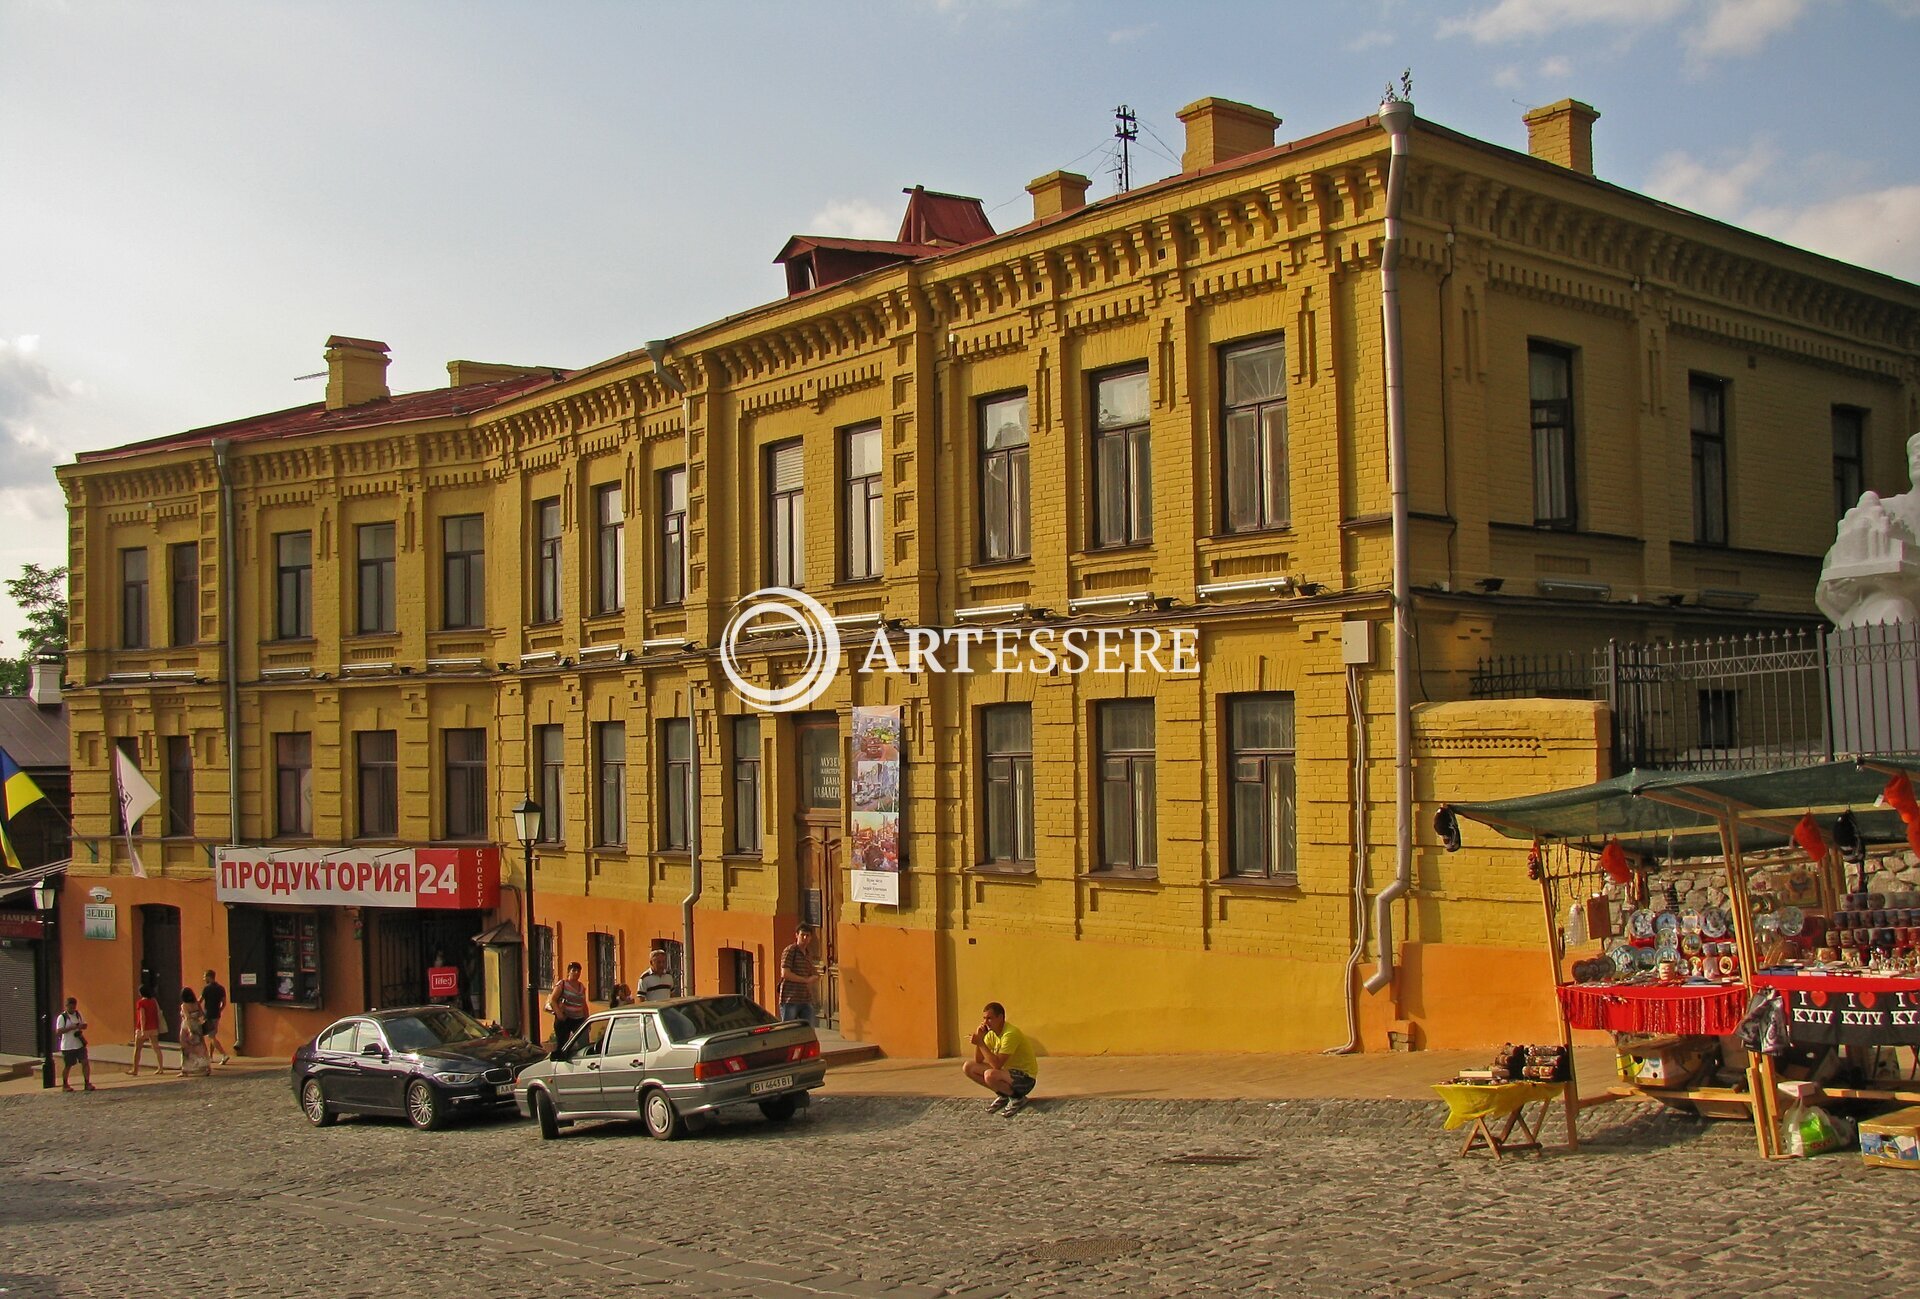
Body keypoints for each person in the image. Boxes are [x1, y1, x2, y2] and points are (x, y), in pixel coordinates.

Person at [962, 1001, 1038, 1117]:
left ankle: (1018, 1098)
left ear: (1000, 1017)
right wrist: (980, 1040)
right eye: (984, 1018)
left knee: (990, 1075)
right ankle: (1004, 1095)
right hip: (1007, 1075)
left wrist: (981, 1043)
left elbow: (997, 1065)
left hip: (1025, 1079)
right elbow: (978, 1060)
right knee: (969, 1067)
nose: (985, 1022)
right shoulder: (992, 1034)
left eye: (989, 1018)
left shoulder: (1010, 1034)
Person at [777, 926, 821, 1026]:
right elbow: (785, 973)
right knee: (788, 1030)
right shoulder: (790, 950)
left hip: (805, 999)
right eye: (802, 935)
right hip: (790, 999)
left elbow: (810, 973)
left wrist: (814, 977)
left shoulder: (808, 953)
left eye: (807, 935)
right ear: (797, 935)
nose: (805, 938)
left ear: (811, 938)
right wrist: (805, 980)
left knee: (808, 1031)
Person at [54, 997, 95, 1092]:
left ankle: (87, 1082)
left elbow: (85, 1025)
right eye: (70, 1006)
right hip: (68, 1046)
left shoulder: (78, 1014)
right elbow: (59, 1031)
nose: (72, 1008)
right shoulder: (62, 1017)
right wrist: (71, 1028)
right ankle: (65, 1084)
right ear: (67, 1006)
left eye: (73, 1006)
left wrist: (81, 1026)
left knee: (85, 1062)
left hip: (79, 1044)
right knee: (68, 1065)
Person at [129, 980, 170, 1076]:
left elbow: (142, 1017)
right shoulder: (153, 1001)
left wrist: (143, 1030)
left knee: (137, 1049)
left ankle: (135, 1069)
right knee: (156, 1048)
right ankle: (160, 1068)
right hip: (153, 1027)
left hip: (143, 1028)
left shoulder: (141, 1003)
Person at [546, 960, 588, 1048]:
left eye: (578, 971)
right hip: (565, 1019)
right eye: (574, 970)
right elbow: (553, 999)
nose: (576, 973)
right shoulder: (562, 984)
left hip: (578, 1019)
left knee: (583, 1043)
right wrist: (559, 1014)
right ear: (569, 972)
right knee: (563, 1044)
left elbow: (584, 1004)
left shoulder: (581, 987)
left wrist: (587, 1019)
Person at [200, 969, 231, 1066]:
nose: (204, 978)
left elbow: (199, 1001)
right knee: (212, 1034)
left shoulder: (207, 989)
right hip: (216, 1015)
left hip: (209, 1015)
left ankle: (224, 1054)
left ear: (209, 977)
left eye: (205, 976)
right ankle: (210, 1056)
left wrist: (199, 1011)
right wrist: (220, 1010)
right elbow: (224, 1003)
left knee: (211, 1036)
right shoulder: (221, 988)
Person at [177, 988, 210, 1078]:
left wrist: (190, 1030)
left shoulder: (184, 1005)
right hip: (197, 1025)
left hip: (187, 1027)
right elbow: (201, 1014)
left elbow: (187, 1018)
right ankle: (205, 1067)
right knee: (200, 1047)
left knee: (186, 1048)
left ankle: (185, 1070)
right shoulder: (196, 1004)